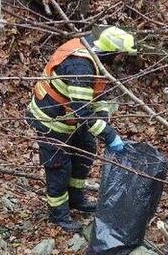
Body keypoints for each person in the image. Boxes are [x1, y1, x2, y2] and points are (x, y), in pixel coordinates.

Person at [26, 26, 137, 232]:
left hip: (71, 118)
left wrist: (102, 117)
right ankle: (58, 214)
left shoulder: (95, 57)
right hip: (51, 119)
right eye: (121, 55)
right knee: (59, 167)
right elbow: (83, 112)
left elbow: (96, 96)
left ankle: (76, 199)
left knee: (86, 150)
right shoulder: (80, 66)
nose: (121, 60)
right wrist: (109, 135)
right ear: (111, 51)